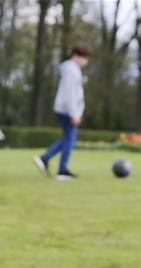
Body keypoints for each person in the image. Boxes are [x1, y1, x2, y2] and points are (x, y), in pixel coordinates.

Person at [33, 43, 91, 181]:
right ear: (77, 55)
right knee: (69, 139)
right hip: (67, 111)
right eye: (85, 57)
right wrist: (74, 114)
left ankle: (46, 159)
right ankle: (61, 169)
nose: (86, 61)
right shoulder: (71, 71)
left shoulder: (73, 70)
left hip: (68, 110)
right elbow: (70, 95)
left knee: (68, 139)